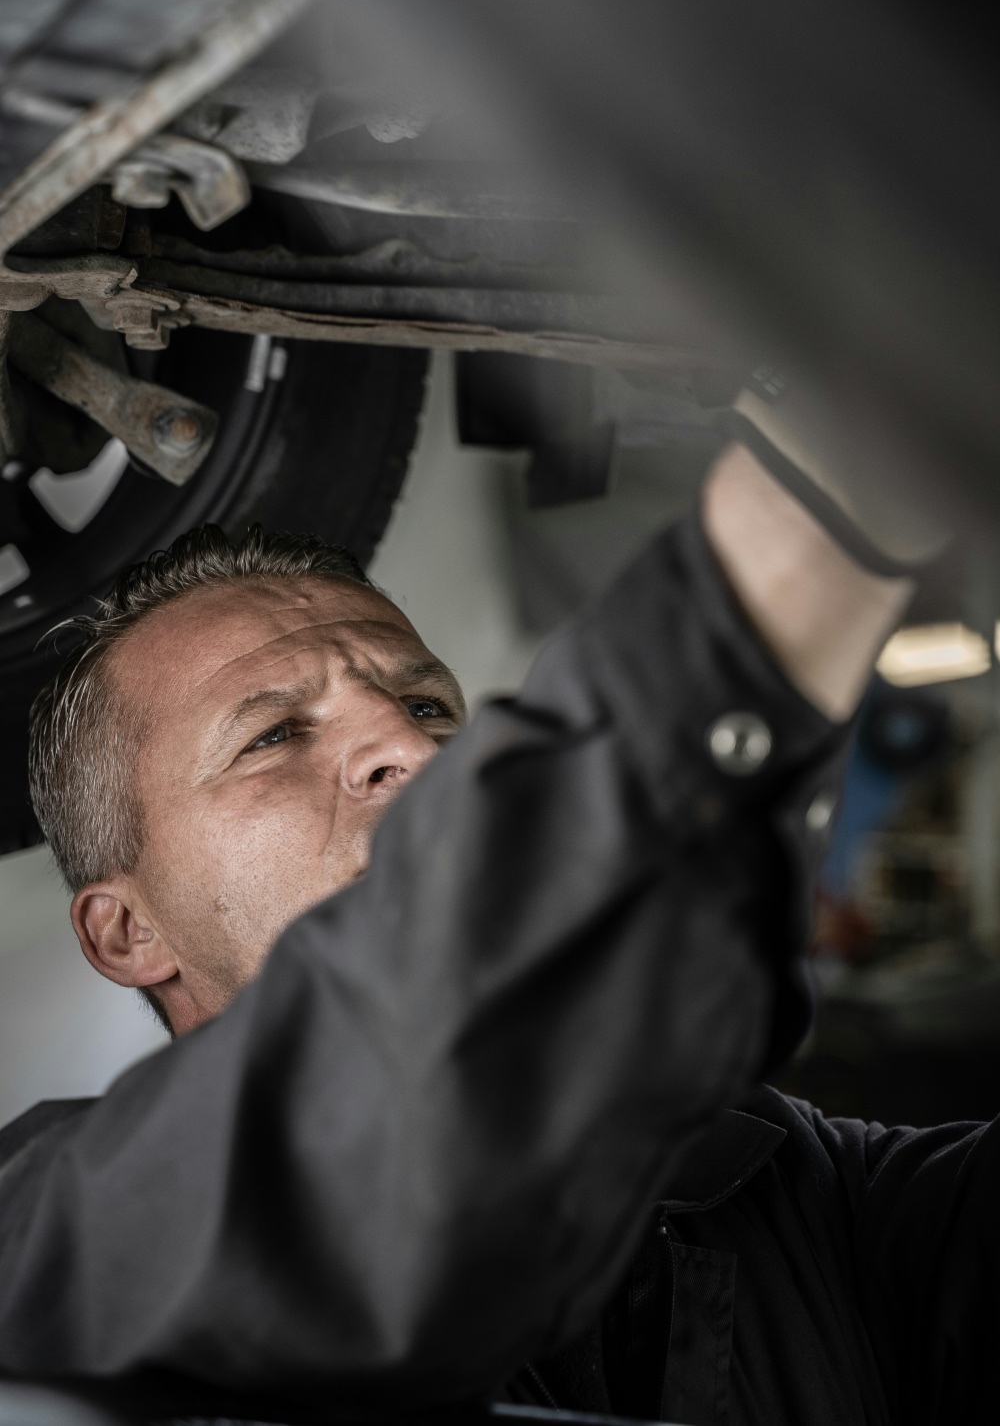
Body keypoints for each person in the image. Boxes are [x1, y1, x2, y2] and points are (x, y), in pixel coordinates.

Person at [0, 436, 987, 1426]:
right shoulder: (53, 1250)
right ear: (127, 933)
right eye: (272, 736)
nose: (406, 743)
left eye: (428, 703)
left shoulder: (795, 1187)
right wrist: (814, 527)